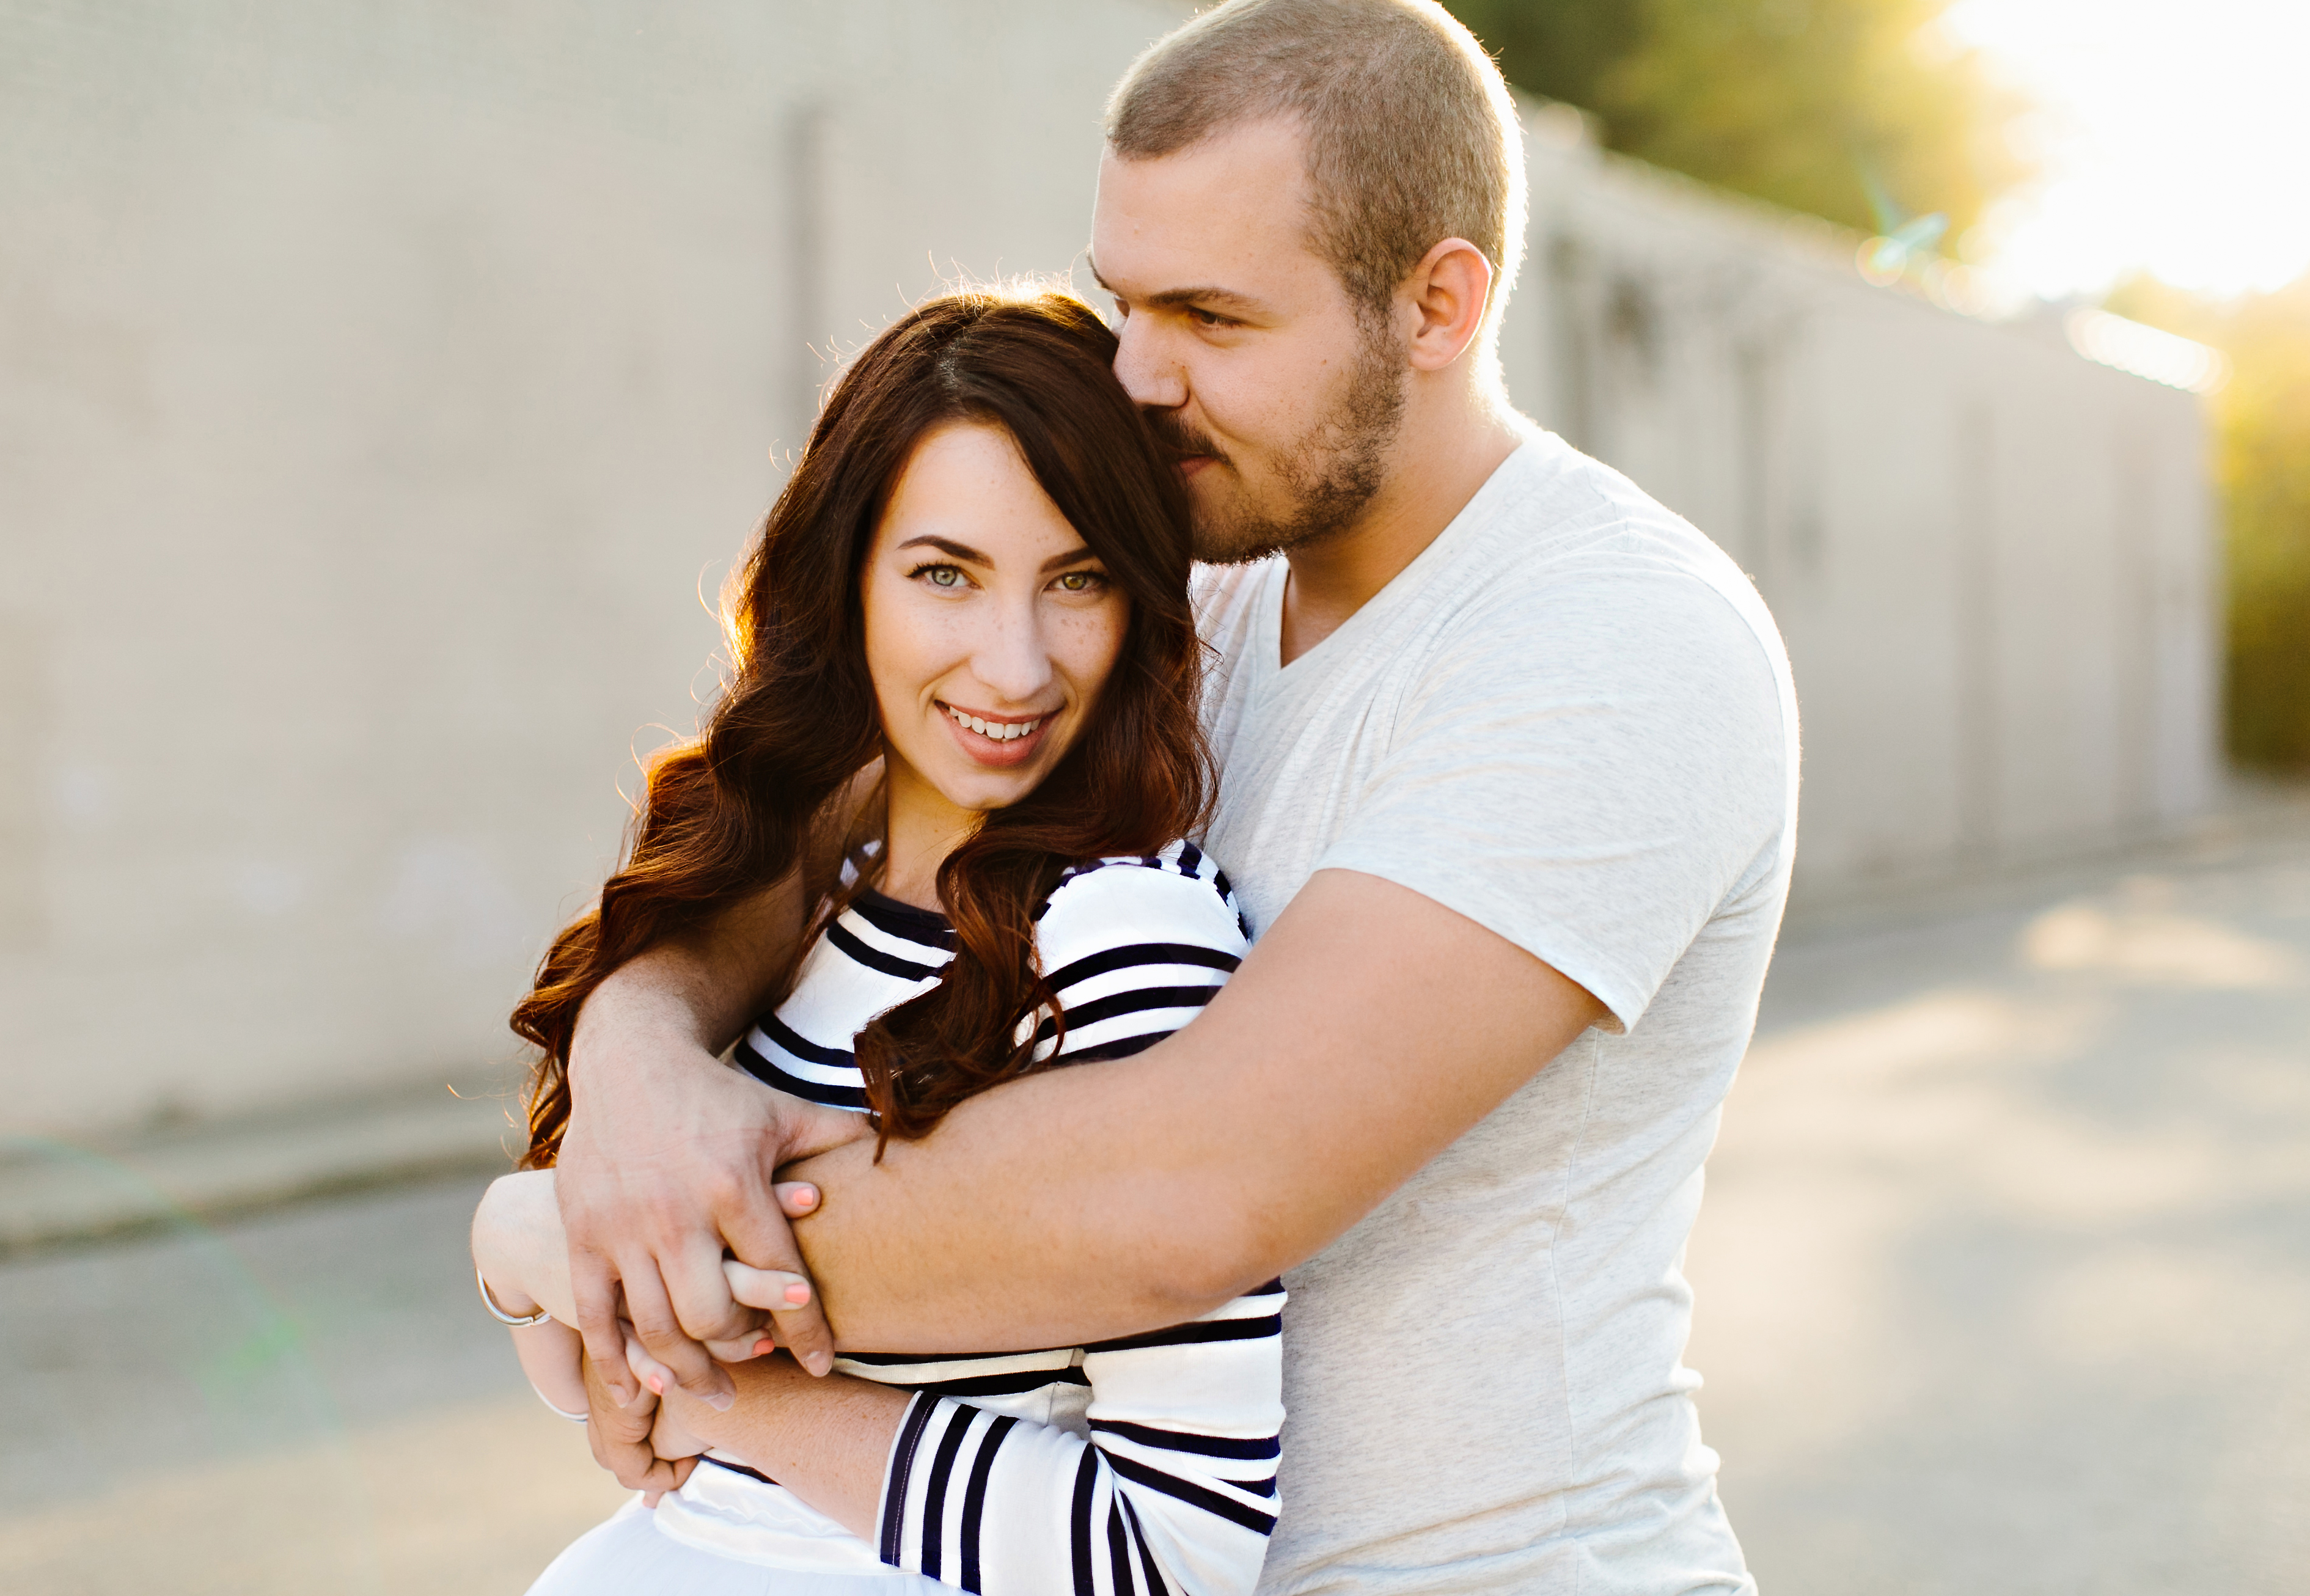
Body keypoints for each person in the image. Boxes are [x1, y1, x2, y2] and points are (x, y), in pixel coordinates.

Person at [553, 1, 1797, 1591]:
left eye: (1210, 318)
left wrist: (605, 1247)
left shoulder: (1609, 638)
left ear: (1435, 303)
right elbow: (793, 853)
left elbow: (1179, 1191)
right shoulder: (1162, 587)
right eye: (1121, 301)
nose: (1136, 378)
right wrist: (638, 1059)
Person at [472, 287, 1285, 1594]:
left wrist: (720, 1392)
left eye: (1076, 580)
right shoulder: (815, 903)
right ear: (843, 583)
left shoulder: (1126, 938)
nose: (1013, 667)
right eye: (944, 575)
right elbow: (611, 1390)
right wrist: (524, 1248)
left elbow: (1175, 1554)